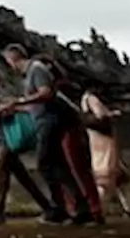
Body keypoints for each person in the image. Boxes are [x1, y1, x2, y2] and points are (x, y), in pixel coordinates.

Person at [0, 44, 94, 226]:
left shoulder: (36, 69)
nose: (10, 66)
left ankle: (66, 207)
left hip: (49, 121)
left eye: (9, 61)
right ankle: (72, 208)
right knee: (55, 165)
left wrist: (19, 101)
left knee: (45, 164)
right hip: (43, 120)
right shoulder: (30, 74)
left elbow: (46, 94)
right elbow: (35, 103)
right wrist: (15, 107)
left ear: (13, 58)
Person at [0, 67, 53, 225]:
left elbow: (19, 109)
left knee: (1, 175)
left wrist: (8, 110)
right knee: (24, 179)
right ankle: (48, 208)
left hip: (7, 142)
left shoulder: (2, 97)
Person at [39, 56, 105, 225]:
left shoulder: (62, 88)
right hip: (61, 131)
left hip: (69, 130)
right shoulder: (57, 88)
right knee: (67, 171)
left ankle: (93, 210)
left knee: (77, 170)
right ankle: (77, 209)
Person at [80, 88, 130, 216]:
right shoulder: (92, 98)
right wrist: (113, 114)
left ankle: (129, 207)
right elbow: (100, 116)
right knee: (106, 173)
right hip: (103, 137)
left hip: (97, 137)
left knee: (117, 175)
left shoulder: (85, 99)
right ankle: (98, 209)